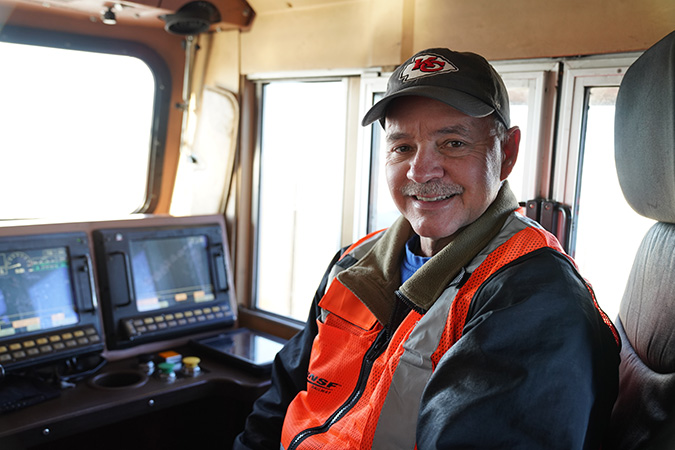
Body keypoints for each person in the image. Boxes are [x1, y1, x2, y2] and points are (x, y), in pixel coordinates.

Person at [233, 48, 620, 450]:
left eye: (452, 143)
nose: (421, 171)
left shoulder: (534, 298)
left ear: (506, 153)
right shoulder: (353, 263)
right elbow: (279, 405)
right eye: (402, 147)